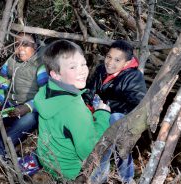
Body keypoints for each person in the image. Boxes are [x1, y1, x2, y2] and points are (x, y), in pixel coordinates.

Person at [34, 39, 111, 180]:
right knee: (109, 143)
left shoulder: (44, 91)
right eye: (72, 67)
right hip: (71, 173)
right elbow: (90, 151)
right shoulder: (73, 108)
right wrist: (102, 114)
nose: (82, 71)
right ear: (55, 74)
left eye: (83, 64)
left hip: (50, 164)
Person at [84, 40, 147, 183]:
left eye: (117, 60)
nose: (110, 62)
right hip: (99, 111)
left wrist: (107, 106)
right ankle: (98, 174)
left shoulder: (134, 76)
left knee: (115, 123)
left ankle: (124, 177)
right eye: (108, 57)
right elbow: (90, 90)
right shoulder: (101, 69)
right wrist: (87, 103)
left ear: (126, 63)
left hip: (121, 118)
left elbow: (137, 105)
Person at [0, 32, 48, 155]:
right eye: (17, 45)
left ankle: (1, 150)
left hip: (28, 110)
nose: (20, 49)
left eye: (25, 45)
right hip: (10, 108)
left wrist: (27, 107)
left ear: (35, 46)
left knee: (28, 121)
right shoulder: (11, 61)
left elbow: (45, 94)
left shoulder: (41, 65)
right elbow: (0, 84)